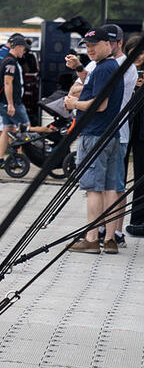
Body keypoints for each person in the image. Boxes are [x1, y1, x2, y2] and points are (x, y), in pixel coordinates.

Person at [64, 27, 125, 253]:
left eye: (94, 45)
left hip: (95, 135)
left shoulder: (103, 69)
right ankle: (110, 239)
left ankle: (91, 239)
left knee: (93, 189)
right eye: (88, 46)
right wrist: (79, 68)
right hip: (111, 135)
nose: (90, 49)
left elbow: (99, 105)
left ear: (109, 44)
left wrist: (74, 104)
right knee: (110, 188)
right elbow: (93, 87)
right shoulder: (110, 67)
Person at [0, 34, 31, 167]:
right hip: (10, 102)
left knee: (7, 128)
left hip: (4, 102)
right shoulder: (10, 62)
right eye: (23, 49)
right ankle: (19, 157)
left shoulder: (7, 59)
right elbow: (8, 83)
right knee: (25, 127)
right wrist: (11, 104)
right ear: (18, 47)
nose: (24, 52)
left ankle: (0, 159)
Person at [124, 33, 144, 238]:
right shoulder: (124, 71)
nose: (138, 56)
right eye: (134, 52)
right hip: (125, 129)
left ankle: (138, 220)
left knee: (141, 176)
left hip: (140, 132)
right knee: (119, 178)